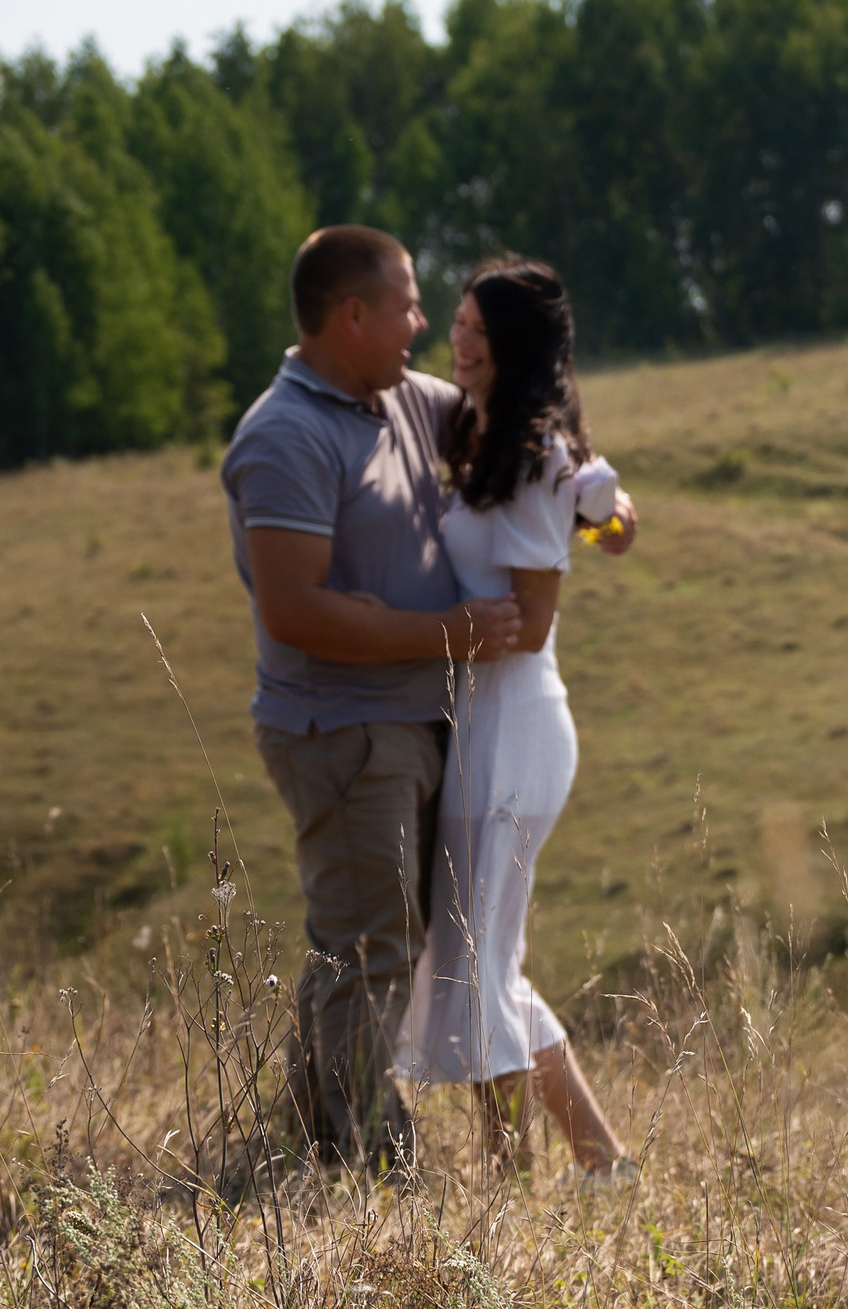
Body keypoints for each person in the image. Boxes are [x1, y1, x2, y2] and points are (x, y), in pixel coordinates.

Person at [223, 229, 588, 1169]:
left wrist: (609, 507)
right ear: (353, 316)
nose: (423, 326)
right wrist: (451, 635)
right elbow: (298, 609)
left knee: (383, 936)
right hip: (339, 725)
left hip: (419, 724)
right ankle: (360, 1156)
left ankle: (321, 1130)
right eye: (410, 307)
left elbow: (524, 427)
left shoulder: (404, 401)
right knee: (372, 943)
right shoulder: (285, 435)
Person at [394, 256, 633, 1177]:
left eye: (479, 332)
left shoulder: (539, 453)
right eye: (456, 322)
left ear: (516, 347)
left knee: (476, 955)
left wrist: (425, 637)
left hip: (517, 726)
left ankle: (508, 1176)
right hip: (479, 727)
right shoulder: (479, 431)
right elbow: (607, 520)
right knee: (479, 949)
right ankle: (603, 1161)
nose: (458, 340)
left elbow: (529, 627)